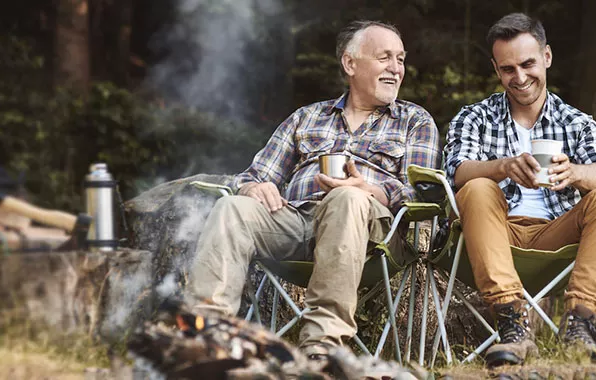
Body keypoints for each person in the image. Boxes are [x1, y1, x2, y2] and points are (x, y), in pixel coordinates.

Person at [186, 20, 439, 359]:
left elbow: (423, 193)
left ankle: (323, 346)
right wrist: (253, 188)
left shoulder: (414, 120)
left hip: (372, 232)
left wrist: (370, 189)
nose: (396, 68)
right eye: (385, 58)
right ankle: (204, 339)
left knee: (347, 197)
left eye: (401, 59)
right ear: (350, 64)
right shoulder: (307, 117)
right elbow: (253, 175)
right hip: (298, 221)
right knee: (233, 208)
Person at [444, 13, 596, 367]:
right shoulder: (474, 118)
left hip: (556, 235)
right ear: (496, 70)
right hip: (495, 233)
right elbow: (456, 171)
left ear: (547, 57)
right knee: (477, 186)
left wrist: (574, 172)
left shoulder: (576, 122)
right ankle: (513, 325)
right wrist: (503, 167)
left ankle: (580, 324)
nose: (520, 77)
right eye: (508, 69)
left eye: (528, 64)